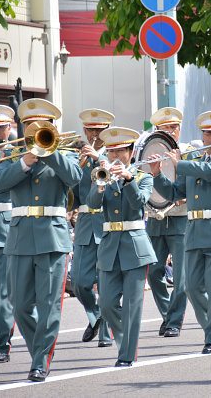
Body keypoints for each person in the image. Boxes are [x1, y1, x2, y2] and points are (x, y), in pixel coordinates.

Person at [0, 98, 82, 381]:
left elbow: (74, 177)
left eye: (41, 127)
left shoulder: (65, 152)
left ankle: (41, 360)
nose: (35, 131)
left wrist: (50, 150)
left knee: (48, 304)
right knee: (19, 305)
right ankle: (40, 352)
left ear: (51, 127)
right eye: (30, 127)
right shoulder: (11, 155)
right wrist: (24, 161)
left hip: (52, 238)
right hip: (19, 238)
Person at [151, 110, 211, 354]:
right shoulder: (195, 162)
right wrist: (157, 173)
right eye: (207, 133)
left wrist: (180, 163)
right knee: (191, 287)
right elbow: (173, 194)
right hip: (195, 232)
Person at [88, 127, 156, 367]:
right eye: (112, 150)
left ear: (131, 152)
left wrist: (128, 179)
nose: (116, 154)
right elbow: (91, 204)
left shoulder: (143, 176)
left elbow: (139, 202)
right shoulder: (101, 175)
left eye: (121, 150)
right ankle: (127, 341)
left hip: (135, 246)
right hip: (109, 247)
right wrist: (99, 185)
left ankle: (127, 354)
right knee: (106, 304)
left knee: (132, 306)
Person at [70, 108, 114, 348]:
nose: (94, 134)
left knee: (106, 282)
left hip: (108, 223)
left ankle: (107, 333)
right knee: (78, 281)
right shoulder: (82, 157)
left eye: (99, 130)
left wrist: (99, 158)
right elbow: (75, 197)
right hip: (87, 224)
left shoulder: (115, 154)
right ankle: (95, 315)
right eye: (90, 130)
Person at [146, 108, 190, 338]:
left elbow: (195, 183)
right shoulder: (150, 151)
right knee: (154, 272)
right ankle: (167, 314)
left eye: (174, 127)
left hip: (180, 218)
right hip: (155, 219)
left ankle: (174, 321)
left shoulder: (189, 152)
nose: (170, 131)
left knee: (182, 277)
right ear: (157, 131)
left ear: (179, 129)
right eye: (165, 128)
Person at [0, 105, 14, 364]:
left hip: (4, 228)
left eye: (2, 127)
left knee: (1, 292)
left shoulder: (16, 152)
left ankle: (1, 342)